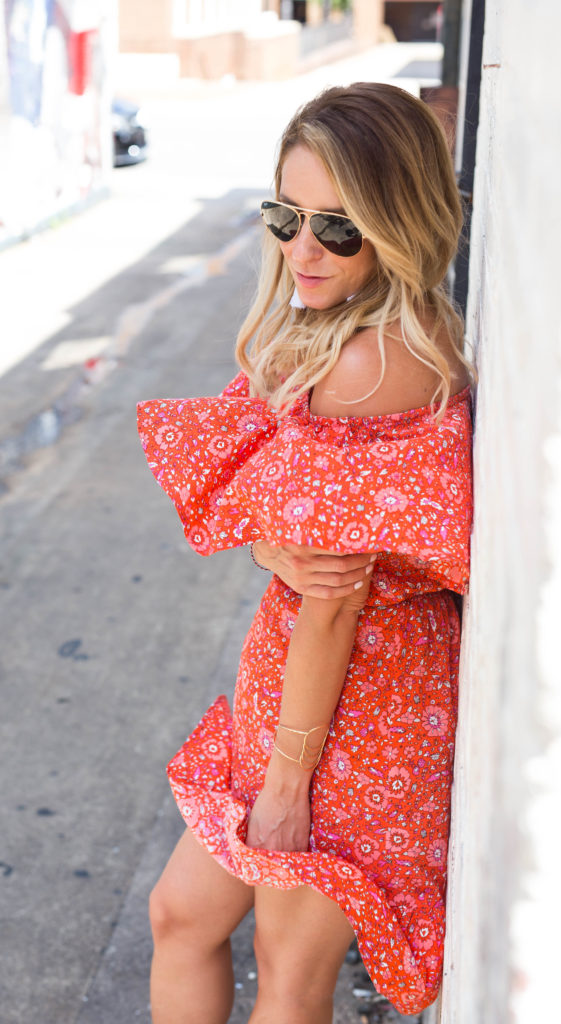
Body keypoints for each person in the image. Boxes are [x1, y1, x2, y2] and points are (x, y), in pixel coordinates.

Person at [136, 82, 474, 1024]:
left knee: (287, 978)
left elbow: (334, 597)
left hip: (344, 714)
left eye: (337, 226)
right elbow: (303, 544)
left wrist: (289, 783)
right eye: (285, 217)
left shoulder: (368, 362)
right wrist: (270, 550)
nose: (300, 251)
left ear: (399, 220)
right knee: (180, 917)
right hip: (307, 689)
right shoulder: (349, 336)